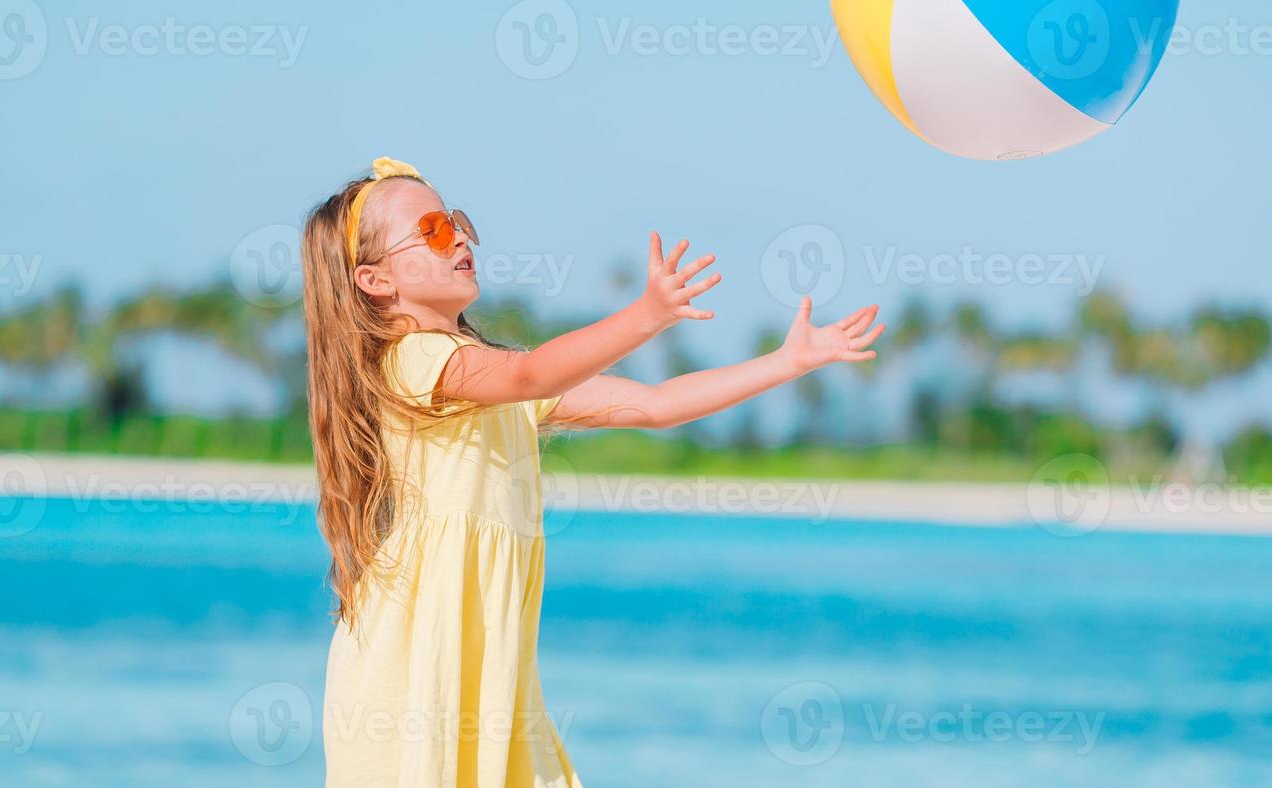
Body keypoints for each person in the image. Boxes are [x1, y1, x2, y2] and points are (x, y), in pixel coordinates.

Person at [300, 157, 884, 786]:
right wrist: (647, 316)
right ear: (375, 280)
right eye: (434, 231)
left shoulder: (487, 377)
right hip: (416, 679)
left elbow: (653, 406)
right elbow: (531, 373)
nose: (461, 238)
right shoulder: (410, 362)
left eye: (459, 222)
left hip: (492, 679)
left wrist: (785, 363)